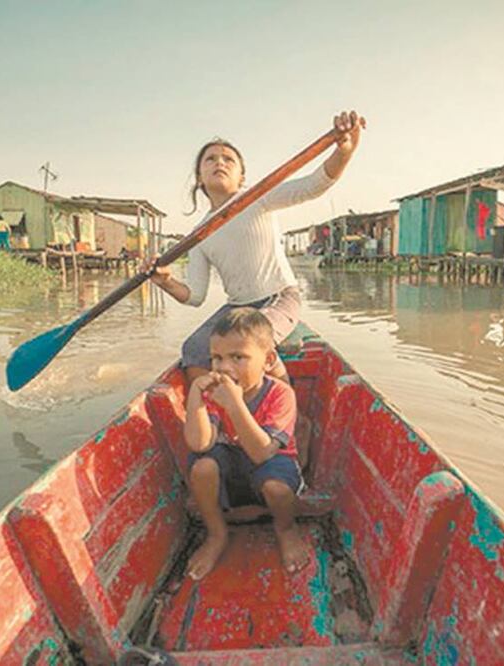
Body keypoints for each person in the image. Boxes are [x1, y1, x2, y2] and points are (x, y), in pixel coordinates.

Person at [145, 111, 364, 384]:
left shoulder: (256, 198)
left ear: (241, 177)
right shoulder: (198, 235)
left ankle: (285, 409)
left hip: (278, 297)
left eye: (228, 159)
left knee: (248, 340)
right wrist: (165, 281)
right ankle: (215, 413)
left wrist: (344, 152)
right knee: (194, 349)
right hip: (237, 307)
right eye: (210, 159)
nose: (219, 162)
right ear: (200, 178)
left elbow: (314, 185)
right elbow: (195, 295)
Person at [183, 308, 305, 579]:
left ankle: (286, 529)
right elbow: (200, 443)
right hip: (232, 465)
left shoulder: (280, 394)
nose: (224, 367)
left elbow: (262, 453)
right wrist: (196, 395)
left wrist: (235, 404)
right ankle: (216, 534)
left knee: (278, 489)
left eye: (238, 357)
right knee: (201, 467)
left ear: (268, 360)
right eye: (217, 358)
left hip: (271, 461)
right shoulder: (215, 393)